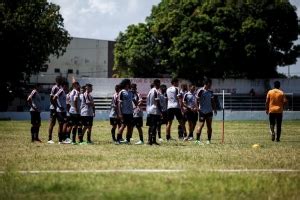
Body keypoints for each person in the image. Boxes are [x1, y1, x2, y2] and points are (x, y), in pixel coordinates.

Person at [195, 78, 217, 145]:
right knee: (201, 125)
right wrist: (197, 108)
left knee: (209, 126)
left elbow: (212, 101)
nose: (211, 85)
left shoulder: (210, 92)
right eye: (210, 84)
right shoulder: (200, 91)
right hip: (202, 111)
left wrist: (214, 108)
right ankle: (197, 141)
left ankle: (209, 140)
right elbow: (196, 100)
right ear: (207, 84)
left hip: (209, 111)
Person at [116, 79, 134, 144]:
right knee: (123, 126)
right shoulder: (122, 92)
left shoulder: (130, 92)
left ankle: (128, 140)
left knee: (130, 126)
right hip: (124, 112)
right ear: (127, 84)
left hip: (130, 112)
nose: (130, 84)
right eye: (130, 83)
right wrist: (120, 113)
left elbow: (133, 102)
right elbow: (119, 104)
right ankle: (118, 140)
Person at [47, 76, 62, 144]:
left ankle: (60, 139)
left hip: (58, 108)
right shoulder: (55, 87)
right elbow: (51, 98)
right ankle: (49, 139)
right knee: (52, 123)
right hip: (54, 108)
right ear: (57, 81)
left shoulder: (60, 88)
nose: (60, 81)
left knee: (60, 123)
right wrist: (55, 107)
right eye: (59, 80)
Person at [147, 79, 161, 145]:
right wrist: (161, 110)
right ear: (156, 83)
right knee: (154, 126)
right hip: (155, 110)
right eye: (159, 83)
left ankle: (150, 140)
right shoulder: (155, 91)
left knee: (151, 126)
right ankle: (151, 141)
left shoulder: (150, 91)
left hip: (150, 110)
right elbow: (157, 101)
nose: (159, 85)